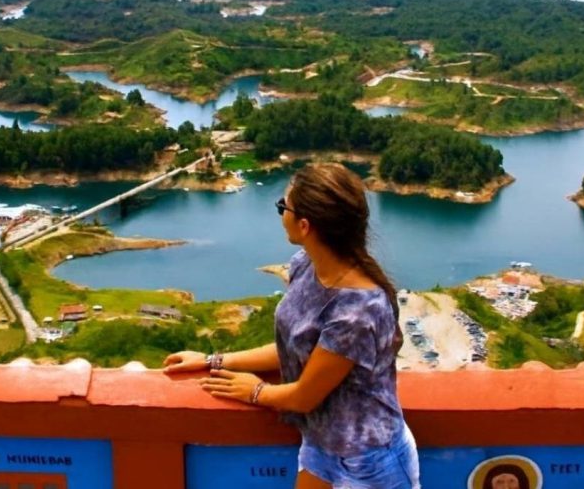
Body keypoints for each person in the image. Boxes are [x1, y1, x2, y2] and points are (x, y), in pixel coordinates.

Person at [164, 163, 420, 489]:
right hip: (321, 442)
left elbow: (304, 397)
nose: (280, 214)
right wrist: (212, 360)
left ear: (304, 225)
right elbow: (296, 347)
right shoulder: (306, 265)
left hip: (369, 459)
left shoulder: (357, 311)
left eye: (282, 207)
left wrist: (256, 391)